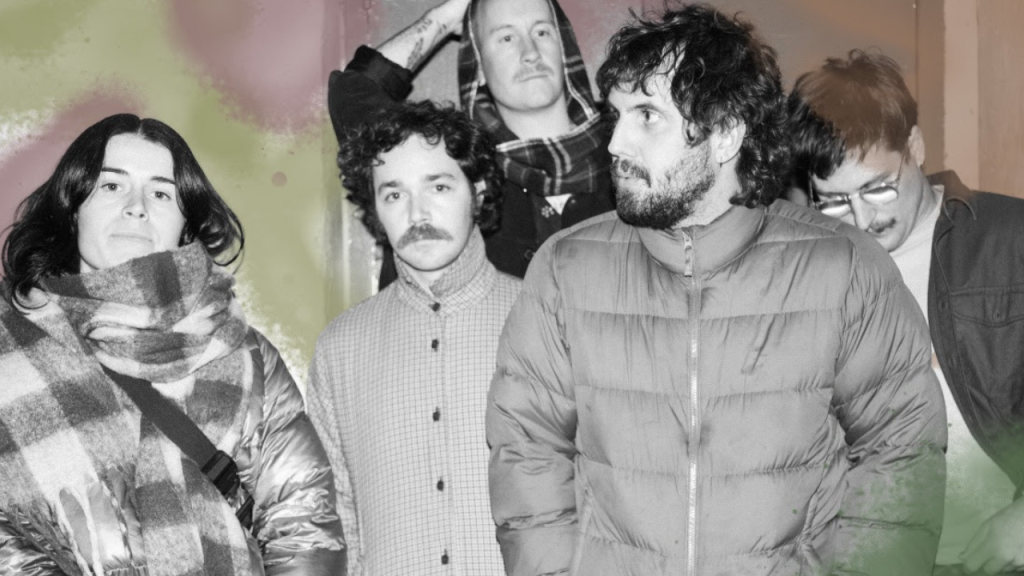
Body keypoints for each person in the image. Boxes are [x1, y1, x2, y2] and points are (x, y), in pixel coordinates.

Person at [486, 6, 947, 576]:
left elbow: (901, 453)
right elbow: (527, 453)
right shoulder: (566, 270)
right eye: (617, 115)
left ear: (726, 133)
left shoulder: (845, 268)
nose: (616, 144)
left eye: (647, 115)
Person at [0, 114, 345, 576]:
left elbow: (302, 524)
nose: (137, 207)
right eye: (112, 186)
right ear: (73, 206)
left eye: (161, 193)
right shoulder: (10, 343)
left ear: (185, 225)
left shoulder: (245, 353)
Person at [789, 50, 1024, 576]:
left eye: (877, 188)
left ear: (915, 146)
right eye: (833, 201)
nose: (861, 219)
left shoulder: (1011, 239)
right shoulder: (811, 270)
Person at [307, 100, 520, 575]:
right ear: (374, 208)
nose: (417, 212)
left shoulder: (545, 317)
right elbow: (334, 520)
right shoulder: (339, 348)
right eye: (393, 194)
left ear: (478, 192)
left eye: (438, 186)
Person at [328, 0, 614, 286]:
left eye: (542, 32)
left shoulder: (628, 143)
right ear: (478, 66)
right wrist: (444, 18)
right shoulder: (456, 161)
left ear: (564, 47)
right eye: (506, 37)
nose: (530, 53)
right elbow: (354, 90)